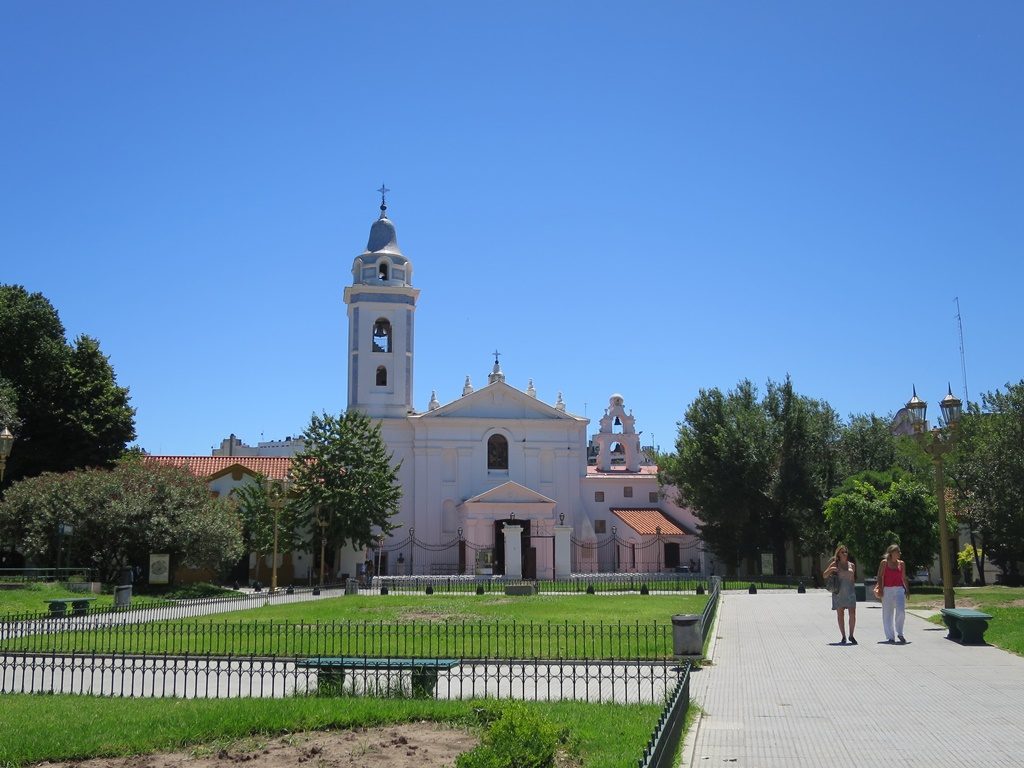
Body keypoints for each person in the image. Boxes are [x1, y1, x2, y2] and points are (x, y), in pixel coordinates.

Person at [874, 544, 910, 643]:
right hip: (887, 589)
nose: (899, 553)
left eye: (899, 551)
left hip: (899, 589)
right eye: (897, 551)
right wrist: (881, 589)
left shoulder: (901, 563)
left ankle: (900, 633)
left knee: (901, 611)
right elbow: (880, 576)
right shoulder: (884, 563)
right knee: (887, 613)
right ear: (891, 553)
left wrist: (907, 589)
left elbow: (903, 577)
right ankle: (890, 636)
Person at [823, 544, 857, 644]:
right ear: (838, 554)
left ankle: (851, 635)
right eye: (842, 552)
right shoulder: (835, 564)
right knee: (840, 614)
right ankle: (843, 636)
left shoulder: (852, 565)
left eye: (846, 551)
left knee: (852, 614)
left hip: (850, 592)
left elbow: (853, 579)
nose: (845, 553)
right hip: (839, 592)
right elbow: (824, 575)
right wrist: (831, 570)